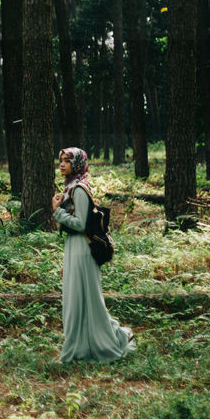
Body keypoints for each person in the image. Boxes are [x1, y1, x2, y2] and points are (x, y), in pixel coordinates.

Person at [51, 147, 134, 363]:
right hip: (74, 248)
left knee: (84, 300)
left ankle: (107, 340)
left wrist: (57, 211)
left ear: (77, 164)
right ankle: (85, 345)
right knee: (78, 299)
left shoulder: (79, 189)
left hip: (82, 250)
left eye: (67, 161)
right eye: (60, 160)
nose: (62, 164)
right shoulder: (71, 187)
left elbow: (80, 224)